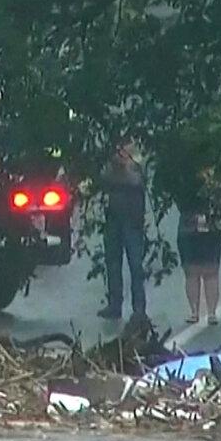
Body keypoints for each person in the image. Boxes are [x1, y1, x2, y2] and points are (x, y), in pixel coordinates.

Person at [97, 137, 148, 323]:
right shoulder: (111, 165)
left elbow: (137, 181)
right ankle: (114, 304)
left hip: (132, 219)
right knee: (112, 261)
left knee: (135, 265)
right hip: (114, 218)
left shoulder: (138, 161)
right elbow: (103, 178)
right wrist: (115, 166)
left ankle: (139, 308)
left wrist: (125, 166)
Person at [177, 167, 221, 326]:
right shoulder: (214, 176)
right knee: (202, 272)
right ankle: (205, 312)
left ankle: (201, 312)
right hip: (201, 225)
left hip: (195, 225)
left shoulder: (183, 174)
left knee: (200, 272)